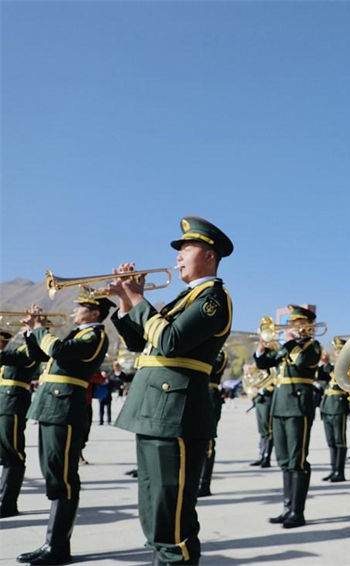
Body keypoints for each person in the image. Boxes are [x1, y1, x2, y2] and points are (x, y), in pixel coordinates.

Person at [110, 216, 233, 565]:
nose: (178, 257)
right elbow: (139, 343)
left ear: (209, 255)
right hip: (154, 412)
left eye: (186, 249)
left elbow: (169, 341)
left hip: (175, 415)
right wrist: (125, 301)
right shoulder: (185, 297)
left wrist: (138, 297)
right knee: (154, 512)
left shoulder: (213, 299)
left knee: (173, 522)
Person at [16, 295, 113, 565]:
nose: (74, 310)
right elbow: (39, 354)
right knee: (52, 475)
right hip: (51, 406)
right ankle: (51, 542)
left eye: (80, 306)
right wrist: (30, 331)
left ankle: (58, 546)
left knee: (63, 478)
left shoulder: (94, 336)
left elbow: (57, 350)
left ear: (94, 313)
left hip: (66, 408)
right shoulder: (79, 333)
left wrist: (41, 329)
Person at [254, 305, 322, 529]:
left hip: (298, 407)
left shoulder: (313, 346)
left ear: (308, 326)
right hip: (280, 407)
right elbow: (264, 363)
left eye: (297, 324)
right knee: (284, 460)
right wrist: (261, 350)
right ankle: (287, 507)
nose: (292, 328)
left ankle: (297, 512)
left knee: (297, 460)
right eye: (292, 324)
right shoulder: (286, 348)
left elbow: (303, 363)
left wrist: (291, 343)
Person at [0, 329, 41, 518]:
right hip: (3, 402)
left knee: (12, 453)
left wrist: (31, 332)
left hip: (13, 403)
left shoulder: (30, 349)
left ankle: (7, 503)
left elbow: (22, 360)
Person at [317, 337, 349, 483]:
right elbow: (320, 376)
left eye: (339, 350)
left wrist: (328, 365)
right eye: (336, 350)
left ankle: (340, 472)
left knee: (339, 440)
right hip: (328, 406)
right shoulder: (333, 365)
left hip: (338, 406)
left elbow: (338, 375)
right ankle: (333, 470)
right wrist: (321, 363)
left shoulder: (347, 365)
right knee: (331, 441)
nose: (337, 353)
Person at [198, 350, 228, 497]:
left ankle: (204, 484)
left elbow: (213, 366)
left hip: (209, 395)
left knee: (207, 443)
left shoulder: (220, 352)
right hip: (194, 392)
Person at [246, 363, 273, 468]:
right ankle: (261, 455)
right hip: (259, 401)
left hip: (268, 400)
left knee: (268, 430)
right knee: (262, 431)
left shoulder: (272, 368)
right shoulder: (261, 368)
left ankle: (267, 457)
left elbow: (274, 383)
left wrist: (261, 390)